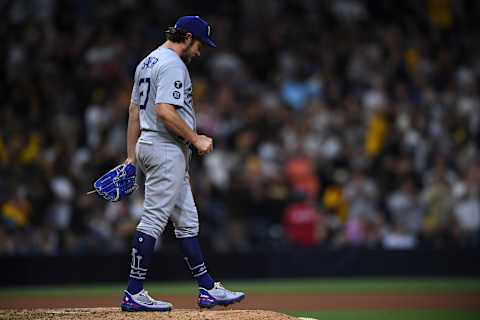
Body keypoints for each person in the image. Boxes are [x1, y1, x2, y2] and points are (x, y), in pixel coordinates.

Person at [120, 16, 245, 312]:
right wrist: (195, 138)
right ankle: (134, 291)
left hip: (154, 146)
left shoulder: (147, 61)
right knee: (153, 219)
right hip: (165, 149)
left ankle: (207, 288)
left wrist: (130, 156)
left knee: (187, 220)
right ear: (187, 37)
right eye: (199, 43)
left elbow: (134, 111)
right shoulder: (174, 64)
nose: (200, 51)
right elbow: (164, 111)